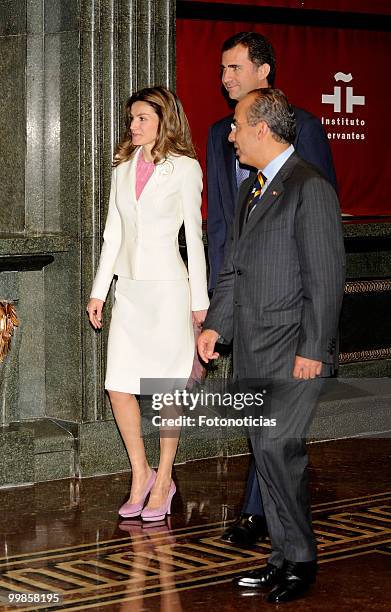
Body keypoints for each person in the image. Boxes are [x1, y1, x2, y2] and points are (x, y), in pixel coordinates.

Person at [198, 88, 345, 603]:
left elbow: (326, 279)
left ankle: (301, 559)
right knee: (265, 453)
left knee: (282, 451)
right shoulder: (250, 192)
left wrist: (314, 348)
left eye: (237, 123)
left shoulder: (310, 187)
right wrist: (217, 326)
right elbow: (234, 270)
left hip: (295, 351)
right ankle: (280, 556)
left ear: (263, 127)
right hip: (255, 349)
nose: (229, 134)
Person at [87, 86, 209, 522]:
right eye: (131, 119)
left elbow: (194, 238)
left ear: (164, 120)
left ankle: (164, 480)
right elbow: (112, 236)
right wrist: (100, 290)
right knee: (118, 385)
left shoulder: (185, 168)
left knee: (165, 389)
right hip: (131, 292)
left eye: (142, 118)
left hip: (169, 291)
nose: (134, 126)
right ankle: (141, 472)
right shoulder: (122, 168)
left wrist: (200, 301)